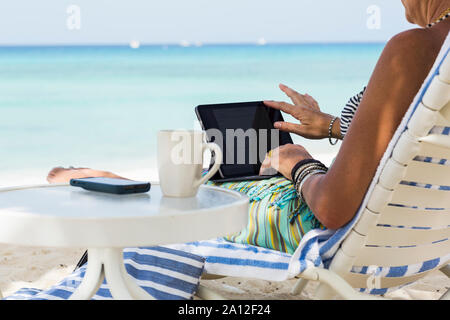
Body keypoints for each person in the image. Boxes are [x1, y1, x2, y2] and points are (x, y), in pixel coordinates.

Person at [47, 0, 450, 254]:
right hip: (422, 232)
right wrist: (331, 126)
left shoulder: (413, 49)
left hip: (346, 228)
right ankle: (115, 182)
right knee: (221, 180)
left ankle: (109, 184)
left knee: (201, 193)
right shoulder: (439, 60)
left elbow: (332, 209)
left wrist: (298, 163)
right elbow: (414, 137)